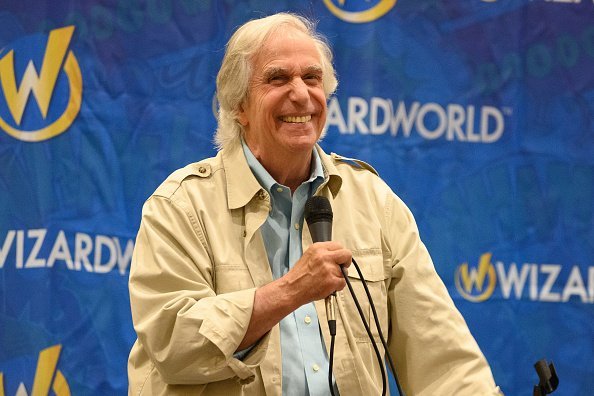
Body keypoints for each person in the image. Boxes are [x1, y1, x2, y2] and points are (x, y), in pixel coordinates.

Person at [128, 12, 502, 396]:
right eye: (278, 78)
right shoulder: (180, 206)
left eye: (312, 78)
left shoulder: (372, 200)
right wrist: (290, 291)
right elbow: (172, 343)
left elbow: (439, 353)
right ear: (238, 105)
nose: (302, 94)